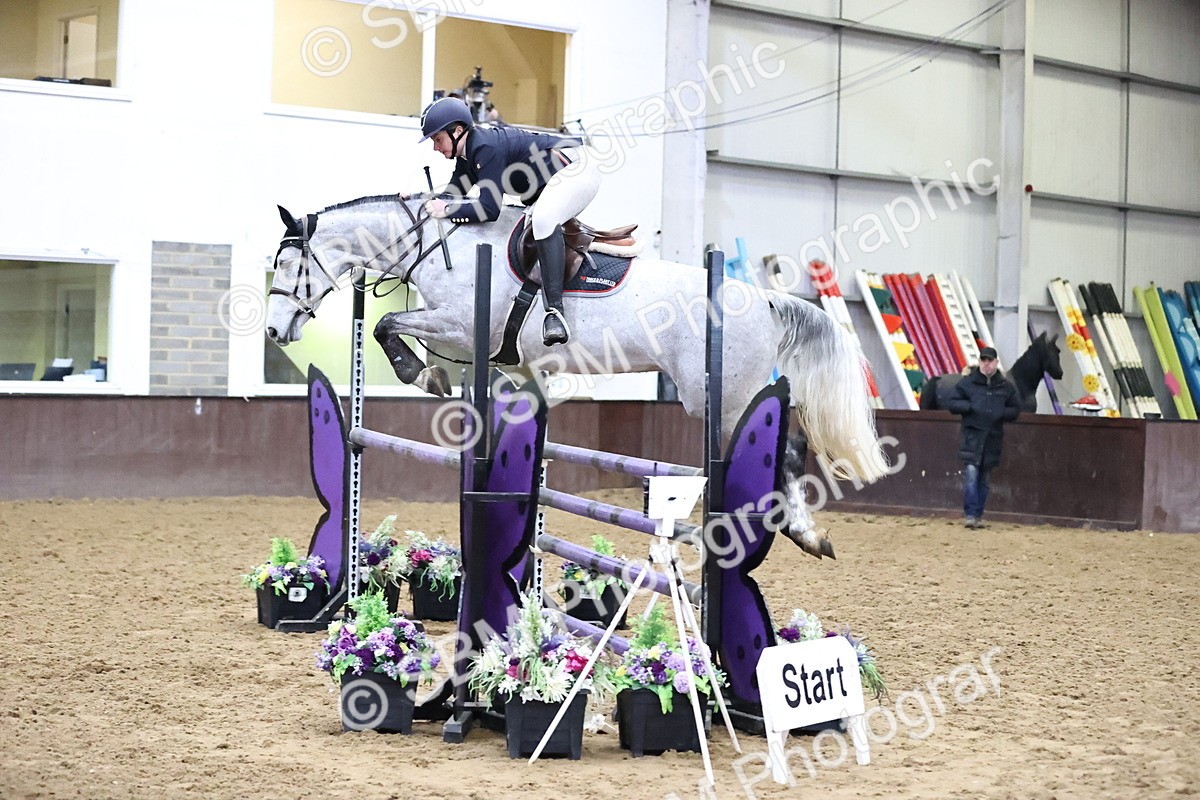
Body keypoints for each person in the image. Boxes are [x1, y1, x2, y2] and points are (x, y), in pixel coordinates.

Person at [417, 96, 598, 346]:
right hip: (550, 179)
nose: (435, 147)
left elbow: (490, 209)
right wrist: (418, 201)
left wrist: (446, 208)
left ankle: (555, 312)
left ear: (457, 131)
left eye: (438, 139)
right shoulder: (467, 156)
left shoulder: (485, 148)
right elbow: (451, 195)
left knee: (544, 220)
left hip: (577, 166)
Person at [946, 346, 1021, 529]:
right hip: (972, 436)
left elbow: (1015, 409)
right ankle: (971, 514)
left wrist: (1000, 412)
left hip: (992, 438)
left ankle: (977, 514)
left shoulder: (1005, 387)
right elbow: (952, 403)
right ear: (980, 362)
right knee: (972, 474)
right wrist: (970, 408)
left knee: (984, 479)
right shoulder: (967, 383)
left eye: (990, 361)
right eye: (983, 360)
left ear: (995, 363)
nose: (986, 364)